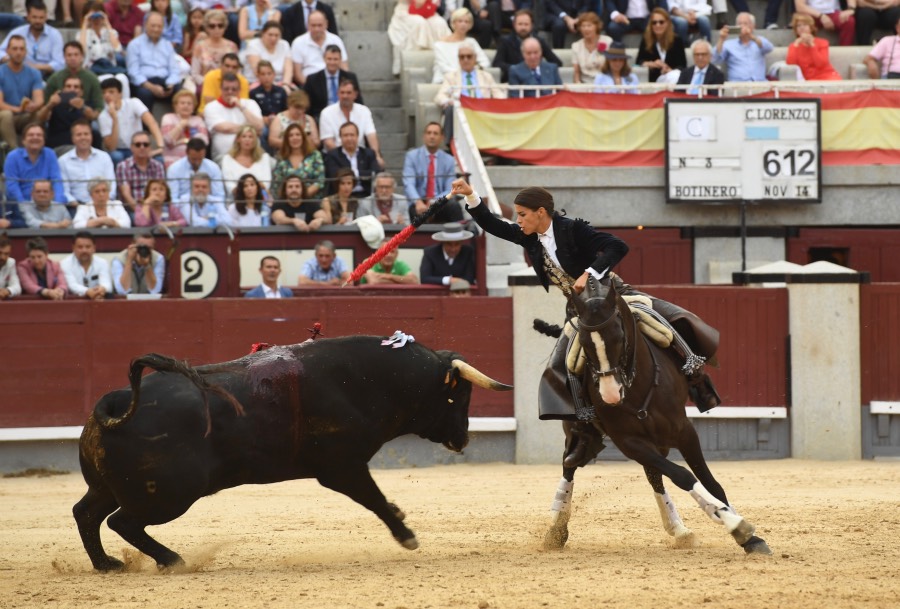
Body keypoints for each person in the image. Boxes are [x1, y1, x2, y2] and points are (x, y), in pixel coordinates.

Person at [450, 178, 721, 466]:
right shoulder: (529, 236)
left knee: (663, 321)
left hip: (611, 296)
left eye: (522, 214)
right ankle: (582, 430)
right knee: (563, 363)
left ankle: (698, 382)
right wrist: (471, 197)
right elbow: (495, 226)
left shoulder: (572, 229)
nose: (518, 220)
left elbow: (618, 246)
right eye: (517, 215)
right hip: (579, 309)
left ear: (541, 212)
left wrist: (590, 272)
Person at [435, 40, 507, 137]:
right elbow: (440, 96)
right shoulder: (451, 77)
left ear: (475, 58)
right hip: (461, 111)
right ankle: (450, 144)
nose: (465, 60)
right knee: (450, 109)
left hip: (482, 110)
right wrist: (449, 101)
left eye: (469, 56)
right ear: (458, 59)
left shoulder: (486, 76)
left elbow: (498, 94)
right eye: (462, 57)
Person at [403, 122, 461, 223]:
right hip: (419, 201)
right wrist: (418, 202)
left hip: (439, 201)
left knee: (454, 206)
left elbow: (449, 188)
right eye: (429, 133)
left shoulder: (449, 160)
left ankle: (462, 237)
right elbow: (408, 183)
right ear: (424, 136)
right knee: (414, 211)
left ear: (442, 137)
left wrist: (434, 202)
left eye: (435, 133)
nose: (432, 136)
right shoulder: (412, 156)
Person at [126, 11, 184, 111]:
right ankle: (146, 126)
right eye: (153, 26)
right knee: (145, 94)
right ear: (145, 25)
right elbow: (133, 72)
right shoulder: (134, 45)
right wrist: (151, 87)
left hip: (165, 81)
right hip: (144, 82)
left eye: (159, 26)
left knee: (182, 93)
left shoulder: (167, 45)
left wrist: (170, 85)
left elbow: (174, 70)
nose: (156, 29)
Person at [98, 77, 164, 165]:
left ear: (120, 94)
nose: (107, 95)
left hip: (140, 145)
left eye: (111, 92)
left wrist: (160, 146)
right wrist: (114, 119)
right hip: (120, 150)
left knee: (159, 159)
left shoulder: (133, 103)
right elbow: (111, 147)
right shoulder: (103, 116)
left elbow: (151, 122)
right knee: (116, 156)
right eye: (104, 93)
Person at [317, 79, 382, 164]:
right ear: (337, 94)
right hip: (335, 157)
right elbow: (328, 142)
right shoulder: (326, 113)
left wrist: (376, 155)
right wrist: (346, 157)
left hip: (360, 155)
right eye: (342, 93)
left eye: (348, 93)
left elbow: (371, 135)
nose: (345, 96)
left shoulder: (364, 110)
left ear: (355, 95)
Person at [204, 72, 264, 163]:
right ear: (220, 89)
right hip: (224, 157)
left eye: (234, 89)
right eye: (226, 89)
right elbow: (224, 128)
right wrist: (251, 130)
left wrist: (241, 107)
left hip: (253, 156)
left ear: (240, 90)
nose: (230, 92)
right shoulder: (211, 107)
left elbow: (259, 126)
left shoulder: (250, 104)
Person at [59, 119, 117, 211]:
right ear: (73, 138)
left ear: (91, 136)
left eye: (86, 134)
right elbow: (64, 191)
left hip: (104, 205)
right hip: (76, 207)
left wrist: (104, 202)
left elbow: (112, 185)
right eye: (79, 135)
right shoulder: (63, 161)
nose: (83, 137)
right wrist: (76, 204)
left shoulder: (104, 157)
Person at [493, 9, 561, 83]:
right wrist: (517, 69)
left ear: (532, 25)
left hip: (537, 80)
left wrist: (540, 68)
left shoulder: (539, 41)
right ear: (514, 25)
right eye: (520, 24)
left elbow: (556, 62)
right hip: (514, 81)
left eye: (526, 24)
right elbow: (497, 63)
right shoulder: (505, 41)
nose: (523, 28)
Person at [3, 123, 65, 204]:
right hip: (21, 204)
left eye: (39, 135)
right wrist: (24, 206)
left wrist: (58, 203)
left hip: (48, 204)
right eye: (31, 135)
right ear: (23, 141)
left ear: (44, 140)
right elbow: (12, 186)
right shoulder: (13, 157)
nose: (35, 137)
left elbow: (56, 181)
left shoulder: (50, 154)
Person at [0, 35, 44, 149]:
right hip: (5, 115)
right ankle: (14, 151)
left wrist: (33, 105)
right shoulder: (1, 72)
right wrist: (18, 109)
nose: (18, 52)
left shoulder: (34, 73)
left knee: (38, 114)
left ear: (26, 51)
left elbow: (39, 99)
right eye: (14, 49)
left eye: (21, 49)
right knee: (6, 115)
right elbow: (0, 104)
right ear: (7, 51)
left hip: (23, 115)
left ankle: (35, 149)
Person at [43, 41, 103, 123]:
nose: (73, 58)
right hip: (59, 119)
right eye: (69, 55)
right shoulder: (54, 78)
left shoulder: (92, 79)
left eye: (76, 55)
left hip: (85, 119)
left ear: (82, 57)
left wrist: (91, 114)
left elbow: (99, 107)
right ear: (64, 57)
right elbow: (45, 106)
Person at [387, 0, 452, 76]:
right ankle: (413, 60)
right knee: (419, 23)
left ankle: (443, 61)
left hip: (427, 10)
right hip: (406, 11)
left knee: (439, 23)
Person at [0, 2, 64, 79]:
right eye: (34, 17)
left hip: (47, 75)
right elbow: (1, 51)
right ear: (28, 17)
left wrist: (36, 67)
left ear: (46, 17)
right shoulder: (18, 32)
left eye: (41, 18)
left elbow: (60, 64)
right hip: (20, 72)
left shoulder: (55, 34)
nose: (38, 21)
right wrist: (9, 58)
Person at [432, 8, 492, 85]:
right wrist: (463, 74)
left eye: (466, 22)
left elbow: (485, 62)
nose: (463, 24)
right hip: (445, 81)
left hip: (468, 79)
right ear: (453, 23)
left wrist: (472, 69)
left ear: (470, 25)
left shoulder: (471, 42)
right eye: (460, 21)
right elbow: (444, 68)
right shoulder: (439, 44)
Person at [304, 44, 363, 121]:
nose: (332, 62)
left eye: (335, 59)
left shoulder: (350, 77)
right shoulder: (313, 79)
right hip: (320, 118)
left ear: (340, 60)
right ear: (324, 59)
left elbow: (358, 101)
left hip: (346, 116)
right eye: (329, 59)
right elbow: (308, 105)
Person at [323, 121, 381, 197]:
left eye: (352, 135)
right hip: (341, 196)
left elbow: (375, 174)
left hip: (366, 195)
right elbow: (335, 176)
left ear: (358, 136)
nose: (349, 138)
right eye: (345, 135)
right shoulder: (332, 155)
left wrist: (354, 173)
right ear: (340, 137)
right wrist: (363, 174)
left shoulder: (368, 154)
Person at [290, 9, 348, 87]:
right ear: (307, 25)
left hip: (334, 84)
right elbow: (297, 74)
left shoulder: (336, 40)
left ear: (326, 24)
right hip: (308, 85)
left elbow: (344, 67)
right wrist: (312, 87)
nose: (317, 29)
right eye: (313, 25)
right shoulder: (298, 42)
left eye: (320, 25)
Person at [35, 75, 95, 148]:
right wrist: (50, 105)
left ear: (81, 92)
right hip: (57, 144)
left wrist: (82, 107)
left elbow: (92, 116)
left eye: (76, 87)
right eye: (68, 86)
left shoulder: (86, 105)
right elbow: (40, 118)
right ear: (63, 89)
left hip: (80, 144)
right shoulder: (54, 104)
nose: (72, 89)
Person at [713, 12, 774, 82]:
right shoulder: (728, 44)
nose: (742, 26)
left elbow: (769, 48)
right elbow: (715, 59)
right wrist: (721, 39)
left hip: (760, 84)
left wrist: (751, 36)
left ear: (753, 26)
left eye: (745, 24)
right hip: (737, 86)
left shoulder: (759, 41)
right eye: (739, 24)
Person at [167, 137, 227, 208]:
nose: (197, 162)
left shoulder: (213, 168)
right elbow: (173, 198)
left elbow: (219, 196)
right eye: (194, 159)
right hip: (182, 208)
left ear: (204, 153)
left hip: (208, 207)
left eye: (200, 159)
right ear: (187, 152)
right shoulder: (174, 169)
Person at [115, 131, 166, 213]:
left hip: (155, 209)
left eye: (145, 145)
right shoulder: (123, 166)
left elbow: (160, 192)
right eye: (138, 145)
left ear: (150, 147)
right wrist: (141, 214)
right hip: (132, 210)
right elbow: (126, 195)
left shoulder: (158, 166)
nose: (142, 147)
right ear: (132, 147)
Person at [79, 2, 128, 84]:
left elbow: (118, 48)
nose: (96, 19)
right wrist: (85, 22)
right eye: (92, 16)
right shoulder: (82, 35)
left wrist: (107, 22)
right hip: (91, 70)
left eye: (98, 16)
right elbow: (81, 50)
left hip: (110, 68)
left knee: (123, 78)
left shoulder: (111, 33)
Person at [271, 122, 323, 199]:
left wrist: (301, 196)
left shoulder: (315, 155)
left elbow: (320, 181)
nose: (294, 138)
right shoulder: (281, 157)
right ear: (286, 139)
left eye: (298, 135)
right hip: (287, 201)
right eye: (291, 135)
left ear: (303, 137)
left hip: (310, 200)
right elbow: (277, 184)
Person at [636, 8, 687, 83]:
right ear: (651, 25)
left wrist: (669, 70)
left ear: (667, 23)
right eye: (654, 22)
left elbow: (682, 65)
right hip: (655, 78)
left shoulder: (677, 40)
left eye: (661, 22)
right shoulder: (646, 40)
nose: (658, 25)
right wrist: (652, 64)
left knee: (675, 75)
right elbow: (638, 62)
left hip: (673, 75)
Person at [191, 10, 239, 89]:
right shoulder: (199, 46)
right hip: (205, 86)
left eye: (220, 25)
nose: (216, 29)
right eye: (212, 26)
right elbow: (195, 74)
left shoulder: (232, 46)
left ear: (225, 27)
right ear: (206, 27)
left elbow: (237, 71)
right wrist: (211, 83)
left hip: (229, 87)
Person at [161, 89, 209, 168]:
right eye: (182, 103)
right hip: (172, 161)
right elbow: (168, 141)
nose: (186, 106)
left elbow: (203, 142)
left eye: (189, 103)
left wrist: (180, 141)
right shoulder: (168, 118)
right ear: (175, 106)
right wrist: (181, 125)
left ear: (193, 107)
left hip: (195, 161)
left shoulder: (198, 120)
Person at [786, 13, 842, 81]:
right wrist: (796, 44)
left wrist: (812, 45)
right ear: (796, 30)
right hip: (808, 80)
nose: (802, 27)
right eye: (798, 26)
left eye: (805, 25)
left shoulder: (823, 43)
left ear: (811, 28)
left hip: (827, 76)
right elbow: (790, 65)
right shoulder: (794, 46)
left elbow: (821, 64)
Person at [420, 221, 477, 287]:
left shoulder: (468, 252)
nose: (453, 249)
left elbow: (469, 279)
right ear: (443, 242)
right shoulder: (430, 252)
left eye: (457, 244)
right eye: (449, 244)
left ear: (461, 243)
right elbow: (424, 278)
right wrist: (448, 280)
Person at [222, 125, 274, 196]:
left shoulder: (264, 158)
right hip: (237, 200)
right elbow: (229, 185)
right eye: (244, 136)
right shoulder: (227, 159)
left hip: (260, 199)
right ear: (238, 139)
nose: (247, 139)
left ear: (255, 140)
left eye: (250, 137)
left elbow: (266, 183)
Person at [60, 231, 113, 300]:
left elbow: (107, 284)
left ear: (94, 248)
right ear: (73, 248)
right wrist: (87, 291)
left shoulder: (102, 263)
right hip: (74, 303)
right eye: (80, 247)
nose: (84, 250)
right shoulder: (65, 264)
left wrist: (101, 289)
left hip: (99, 300)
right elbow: (71, 286)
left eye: (88, 247)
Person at [250, 60, 288, 148]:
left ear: (274, 74)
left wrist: (277, 119)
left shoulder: (281, 91)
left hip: (280, 122)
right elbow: (252, 113)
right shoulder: (253, 93)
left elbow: (286, 110)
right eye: (263, 74)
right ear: (258, 76)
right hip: (263, 123)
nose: (266, 77)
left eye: (269, 73)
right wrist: (264, 119)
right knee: (262, 132)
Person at [244, 21, 292, 86]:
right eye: (270, 35)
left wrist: (286, 84)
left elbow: (288, 69)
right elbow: (259, 71)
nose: (273, 38)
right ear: (263, 34)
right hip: (258, 82)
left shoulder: (284, 44)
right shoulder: (253, 45)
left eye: (276, 35)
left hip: (281, 82)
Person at [571, 11, 613, 84]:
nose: (586, 29)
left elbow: (613, 67)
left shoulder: (607, 41)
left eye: (589, 25)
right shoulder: (576, 46)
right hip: (585, 85)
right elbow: (576, 72)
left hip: (605, 84)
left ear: (596, 26)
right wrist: (577, 85)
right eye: (583, 26)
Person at [0, 235, 22, 300]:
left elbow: (17, 287)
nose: (2, 257)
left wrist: (8, 291)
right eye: (0, 253)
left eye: (6, 254)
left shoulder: (11, 262)